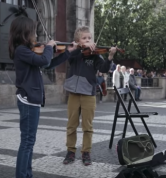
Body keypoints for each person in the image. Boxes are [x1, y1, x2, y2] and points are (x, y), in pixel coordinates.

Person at [9, 16, 77, 178]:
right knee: (27, 142)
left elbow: (48, 64)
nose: (36, 35)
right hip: (28, 100)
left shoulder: (27, 51)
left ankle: (27, 174)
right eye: (33, 32)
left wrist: (67, 53)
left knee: (29, 142)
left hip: (31, 100)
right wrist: (49, 46)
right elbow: (45, 60)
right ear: (25, 33)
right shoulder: (21, 50)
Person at [62, 26, 117, 166]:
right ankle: (70, 151)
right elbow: (70, 57)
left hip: (89, 94)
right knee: (71, 125)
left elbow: (104, 68)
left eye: (89, 38)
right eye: (84, 38)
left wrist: (110, 57)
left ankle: (86, 152)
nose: (88, 41)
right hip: (74, 94)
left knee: (88, 126)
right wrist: (79, 48)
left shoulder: (95, 54)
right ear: (78, 40)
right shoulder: (74, 53)